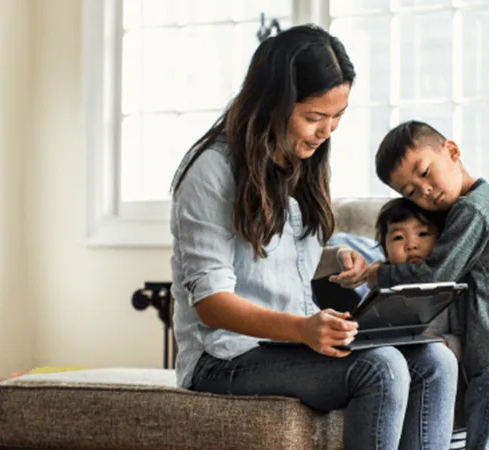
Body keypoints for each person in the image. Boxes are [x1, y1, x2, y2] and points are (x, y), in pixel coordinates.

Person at [169, 27, 458, 450]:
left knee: (435, 360)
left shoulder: (298, 160)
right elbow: (211, 303)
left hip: (284, 342)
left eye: (337, 116)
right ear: (272, 103)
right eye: (314, 117)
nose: (327, 130)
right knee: (381, 368)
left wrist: (336, 258)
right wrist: (303, 329)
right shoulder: (211, 171)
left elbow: (267, 256)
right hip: (224, 357)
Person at [365, 120, 489, 449]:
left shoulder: (475, 209)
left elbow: (433, 276)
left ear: (452, 151)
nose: (423, 191)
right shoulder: (469, 207)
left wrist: (378, 275)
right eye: (410, 192)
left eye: (424, 172)